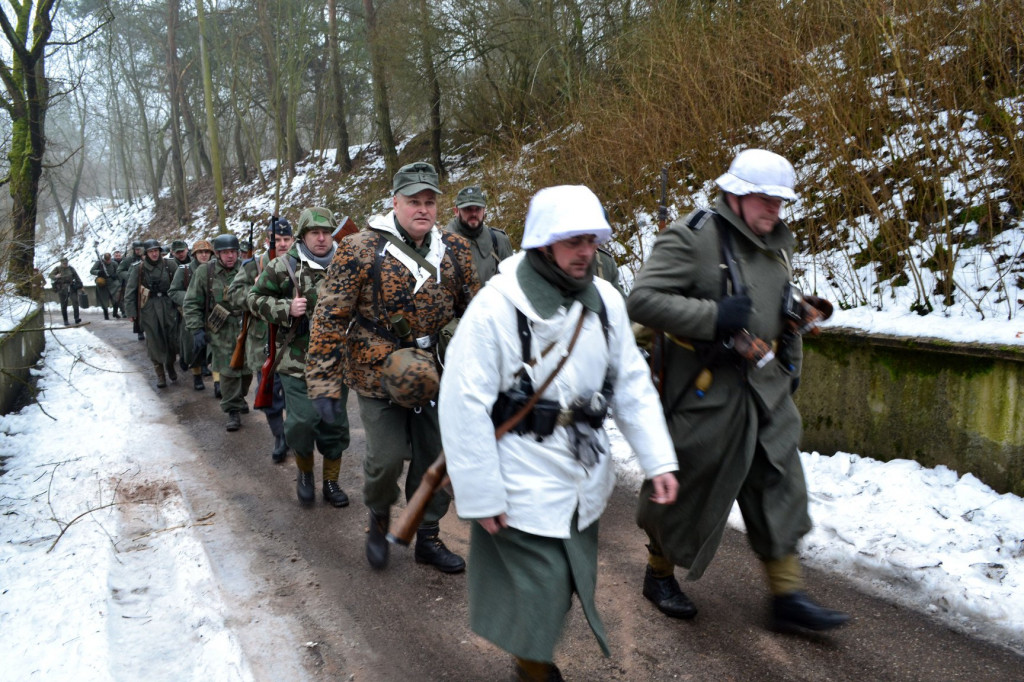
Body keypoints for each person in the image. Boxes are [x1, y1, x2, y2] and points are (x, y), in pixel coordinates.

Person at [439, 184, 680, 681]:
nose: (586, 251)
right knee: (541, 590)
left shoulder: (607, 300)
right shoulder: (496, 308)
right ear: (544, 243)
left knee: (567, 582)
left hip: (582, 471)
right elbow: (463, 405)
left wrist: (658, 458)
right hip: (520, 475)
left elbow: (631, 382)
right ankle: (534, 671)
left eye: (591, 240)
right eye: (574, 241)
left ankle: (531, 662)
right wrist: (481, 495)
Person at [627, 148, 849, 632]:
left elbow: (771, 300)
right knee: (684, 490)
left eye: (781, 201)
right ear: (735, 193)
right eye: (765, 199)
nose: (775, 209)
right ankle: (658, 573)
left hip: (767, 392)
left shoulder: (776, 245)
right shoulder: (693, 237)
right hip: (708, 395)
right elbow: (641, 301)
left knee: (781, 486)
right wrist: (711, 319)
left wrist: (794, 320)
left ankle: (787, 594)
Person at [306, 161, 480, 573]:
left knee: (435, 460)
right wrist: (323, 384)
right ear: (395, 203)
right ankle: (379, 517)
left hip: (435, 373)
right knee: (384, 461)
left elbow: (476, 312)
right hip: (376, 373)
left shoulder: (454, 250)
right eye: (413, 202)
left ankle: (429, 537)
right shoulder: (361, 249)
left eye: (429, 202)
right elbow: (329, 316)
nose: (423, 209)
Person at [250, 208, 352, 506]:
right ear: (303, 236)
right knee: (302, 423)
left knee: (333, 425)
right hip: (296, 363)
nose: (321, 239)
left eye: (326, 233)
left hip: (336, 362)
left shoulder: (348, 264)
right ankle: (305, 472)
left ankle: (331, 482)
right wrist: (286, 309)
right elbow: (254, 299)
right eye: (314, 233)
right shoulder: (284, 266)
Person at [227, 218, 295, 464]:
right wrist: (255, 291)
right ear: (268, 241)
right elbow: (233, 295)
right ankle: (279, 435)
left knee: (296, 395)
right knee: (269, 393)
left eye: (287, 239)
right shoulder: (253, 265)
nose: (284, 244)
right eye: (278, 240)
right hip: (263, 339)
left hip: (294, 342)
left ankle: (295, 434)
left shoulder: (301, 263)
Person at [184, 234, 253, 431]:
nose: (230, 256)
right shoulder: (206, 272)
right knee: (227, 370)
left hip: (246, 323)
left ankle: (239, 398)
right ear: (218, 254)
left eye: (233, 252)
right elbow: (191, 302)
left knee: (247, 370)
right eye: (225, 252)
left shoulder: (247, 268)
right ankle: (232, 410)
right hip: (220, 326)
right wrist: (196, 329)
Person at [124, 240, 180, 388]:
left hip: (168, 306)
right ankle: (160, 374)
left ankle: (170, 365)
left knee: (171, 339)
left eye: (156, 250)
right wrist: (131, 311)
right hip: (149, 308)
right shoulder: (139, 268)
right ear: (146, 253)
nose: (154, 253)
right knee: (154, 341)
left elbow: (180, 284)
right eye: (151, 251)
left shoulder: (170, 265)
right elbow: (130, 291)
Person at [442, 185, 513, 284]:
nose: (474, 214)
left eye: (478, 209)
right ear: (456, 211)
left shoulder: (498, 240)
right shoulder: (441, 244)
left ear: (484, 210)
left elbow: (512, 281)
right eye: (468, 209)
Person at [170, 239, 215, 390]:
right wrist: (191, 297)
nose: (203, 255)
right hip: (191, 314)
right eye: (200, 252)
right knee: (193, 348)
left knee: (215, 348)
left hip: (212, 315)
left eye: (206, 252)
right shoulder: (184, 270)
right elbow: (173, 291)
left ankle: (217, 382)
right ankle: (196, 376)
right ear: (194, 254)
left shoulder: (215, 268)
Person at [119, 241, 146, 340]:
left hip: (145, 285)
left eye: (140, 249)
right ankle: (140, 331)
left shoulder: (146, 257)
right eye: (137, 249)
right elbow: (120, 270)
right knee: (137, 310)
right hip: (135, 286)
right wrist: (130, 276)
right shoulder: (129, 260)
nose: (139, 251)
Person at [49, 257, 83, 326]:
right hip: (62, 288)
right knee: (64, 304)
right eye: (64, 263)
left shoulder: (71, 268)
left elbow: (76, 276)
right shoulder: (57, 269)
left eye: (66, 263)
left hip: (71, 287)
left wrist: (80, 285)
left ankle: (76, 318)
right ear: (61, 263)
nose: (65, 264)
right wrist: (56, 276)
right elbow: (50, 275)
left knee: (75, 302)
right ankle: (65, 320)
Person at [90, 253, 121, 320]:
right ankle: (106, 315)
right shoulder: (99, 263)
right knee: (104, 301)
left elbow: (119, 271)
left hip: (113, 283)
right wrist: (99, 272)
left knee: (116, 299)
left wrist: (115, 275)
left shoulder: (114, 263)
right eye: (106, 260)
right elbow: (92, 271)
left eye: (109, 260)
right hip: (102, 283)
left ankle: (115, 313)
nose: (108, 261)